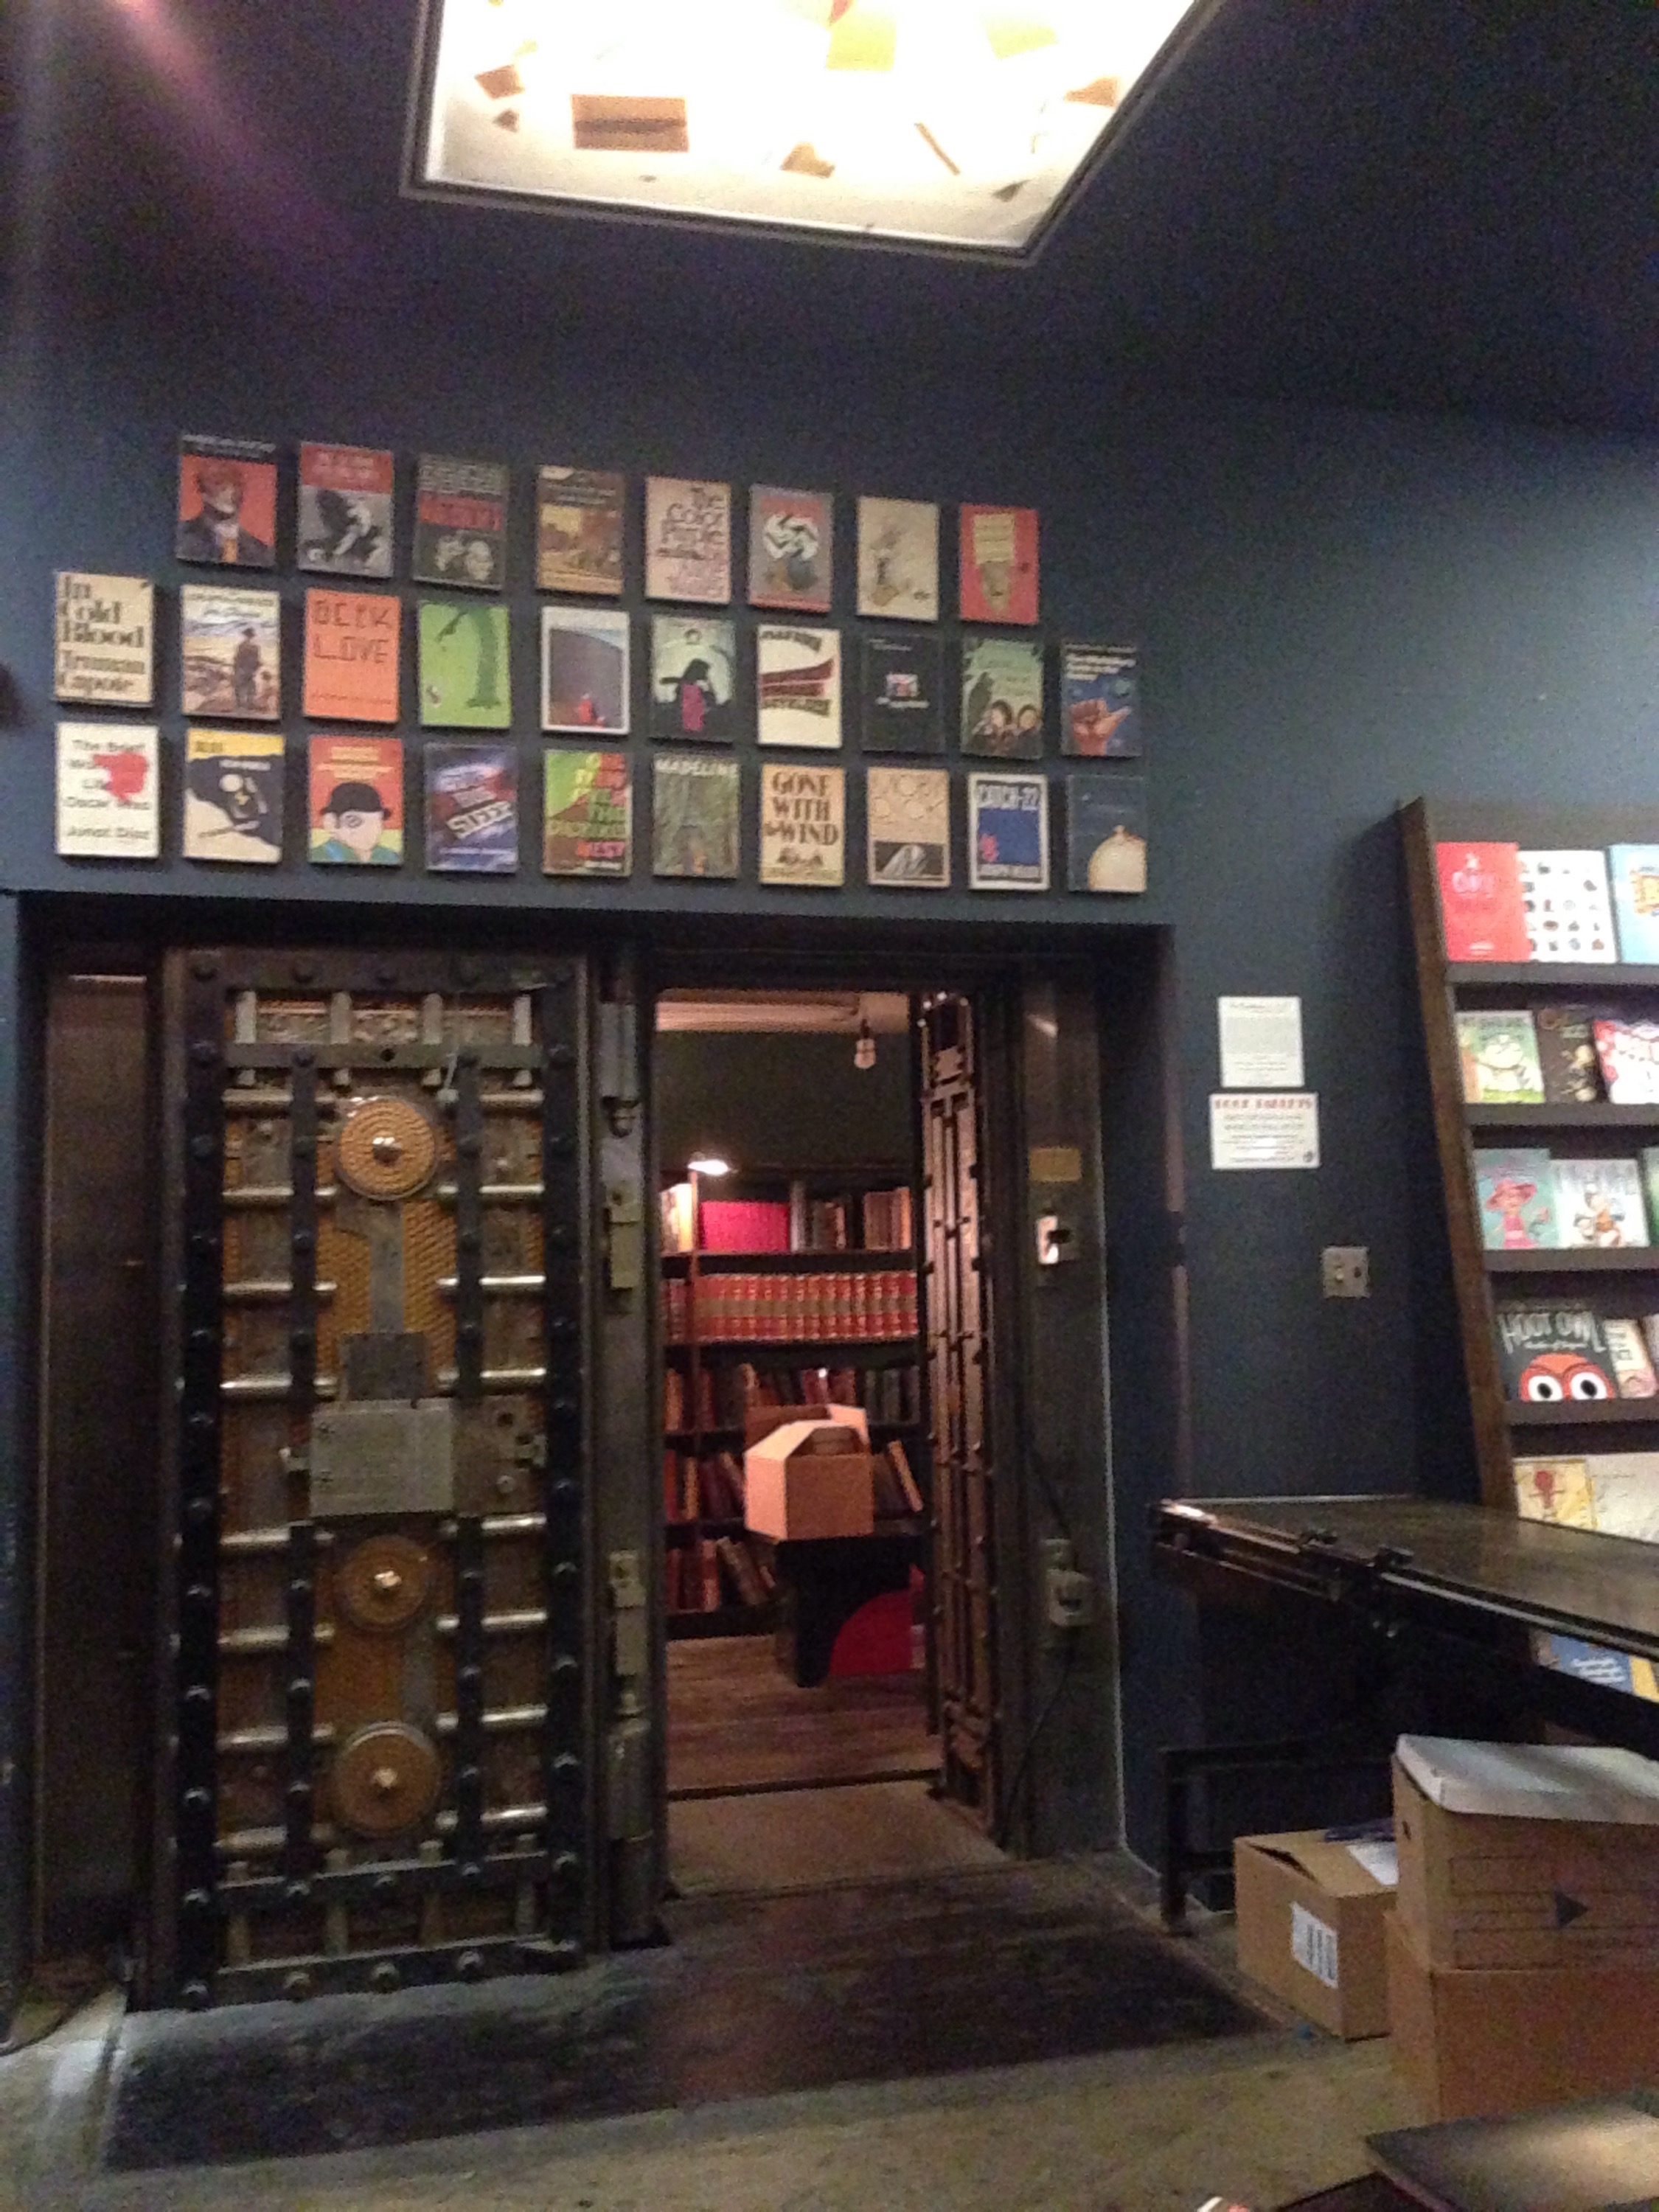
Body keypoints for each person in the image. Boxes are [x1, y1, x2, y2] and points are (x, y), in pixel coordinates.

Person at [177, 458, 273, 566]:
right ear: (203, 491)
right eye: (219, 482)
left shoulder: (261, 552)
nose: (230, 490)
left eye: (237, 483)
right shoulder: (180, 537)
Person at [313, 780, 399, 865]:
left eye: (377, 822)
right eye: (354, 821)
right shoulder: (319, 856)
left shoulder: (392, 857)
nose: (369, 831)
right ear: (332, 823)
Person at [231, 627, 262, 712]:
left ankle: (243, 705)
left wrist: (237, 669)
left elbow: (238, 659)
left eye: (249, 636)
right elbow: (256, 661)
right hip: (247, 670)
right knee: (246, 687)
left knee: (245, 686)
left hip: (245, 669)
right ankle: (245, 704)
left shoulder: (244, 646)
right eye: (249, 636)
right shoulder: (254, 647)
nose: (249, 638)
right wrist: (255, 668)